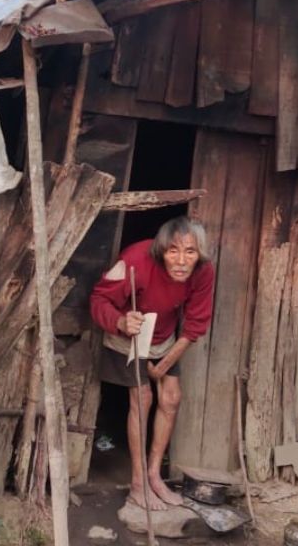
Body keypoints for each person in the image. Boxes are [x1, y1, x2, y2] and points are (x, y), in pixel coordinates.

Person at [89, 216, 215, 510]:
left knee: (171, 398)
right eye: (173, 251)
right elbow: (98, 300)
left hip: (163, 336)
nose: (182, 261)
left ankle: (154, 475)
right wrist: (120, 320)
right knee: (143, 398)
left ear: (200, 254)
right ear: (161, 251)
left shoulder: (203, 271)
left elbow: (195, 323)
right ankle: (137, 484)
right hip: (128, 334)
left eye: (190, 252)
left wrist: (163, 364)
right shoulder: (136, 260)